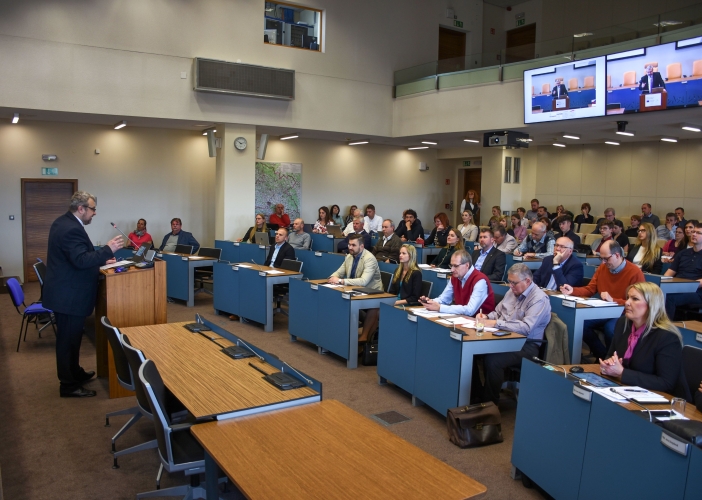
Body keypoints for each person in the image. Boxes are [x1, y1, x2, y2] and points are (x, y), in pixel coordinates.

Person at [43, 191, 123, 398]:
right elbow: (79, 260)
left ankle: (75, 372)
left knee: (72, 338)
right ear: (81, 209)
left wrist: (100, 261)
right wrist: (108, 250)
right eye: (93, 209)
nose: (94, 213)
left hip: (66, 292)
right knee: (68, 341)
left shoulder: (64, 222)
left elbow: (77, 258)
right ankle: (68, 385)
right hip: (69, 295)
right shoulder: (70, 228)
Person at [475, 263, 552, 404]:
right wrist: (486, 318)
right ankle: (475, 396)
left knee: (493, 361)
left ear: (528, 281)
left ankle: (489, 405)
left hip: (527, 345)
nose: (510, 286)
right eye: (509, 282)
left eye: (514, 283)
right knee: (474, 353)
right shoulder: (511, 291)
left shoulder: (539, 299)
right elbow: (498, 312)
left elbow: (526, 327)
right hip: (504, 337)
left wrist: (495, 323)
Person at [560, 241, 645, 361]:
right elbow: (590, 289)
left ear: (617, 255)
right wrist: (572, 290)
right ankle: (602, 355)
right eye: (601, 259)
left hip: (623, 312)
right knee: (580, 324)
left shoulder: (635, 272)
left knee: (611, 329)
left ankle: (614, 359)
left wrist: (613, 300)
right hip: (603, 310)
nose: (603, 262)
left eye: (606, 259)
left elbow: (638, 302)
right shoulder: (602, 268)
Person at [601, 283, 687, 398]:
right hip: (627, 390)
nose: (627, 302)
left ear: (651, 305)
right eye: (628, 297)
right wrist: (609, 364)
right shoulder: (623, 323)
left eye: (635, 299)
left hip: (661, 399)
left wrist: (622, 373)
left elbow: (666, 383)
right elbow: (610, 355)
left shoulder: (667, 337)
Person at [328, 233, 382, 342]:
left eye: (353, 245)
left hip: (371, 292)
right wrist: (333, 277)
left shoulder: (369, 258)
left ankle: (364, 337)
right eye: (349, 245)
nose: (350, 248)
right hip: (355, 290)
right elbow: (340, 271)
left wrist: (340, 280)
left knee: (374, 308)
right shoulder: (349, 256)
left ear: (361, 246)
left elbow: (363, 281)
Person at [421, 250, 495, 316]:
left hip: (481, 323)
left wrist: (440, 308)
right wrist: (430, 302)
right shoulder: (455, 277)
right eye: (451, 265)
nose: (452, 270)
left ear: (467, 265)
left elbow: (470, 310)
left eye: (456, 266)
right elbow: (444, 299)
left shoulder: (480, 280)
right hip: (462, 318)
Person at [663, 222, 702, 319]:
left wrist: (684, 286)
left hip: (696, 292)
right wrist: (662, 283)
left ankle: (665, 330)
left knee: (669, 298)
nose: (693, 234)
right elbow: (669, 273)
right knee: (654, 293)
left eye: (698, 233)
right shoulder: (683, 253)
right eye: (693, 232)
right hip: (677, 287)